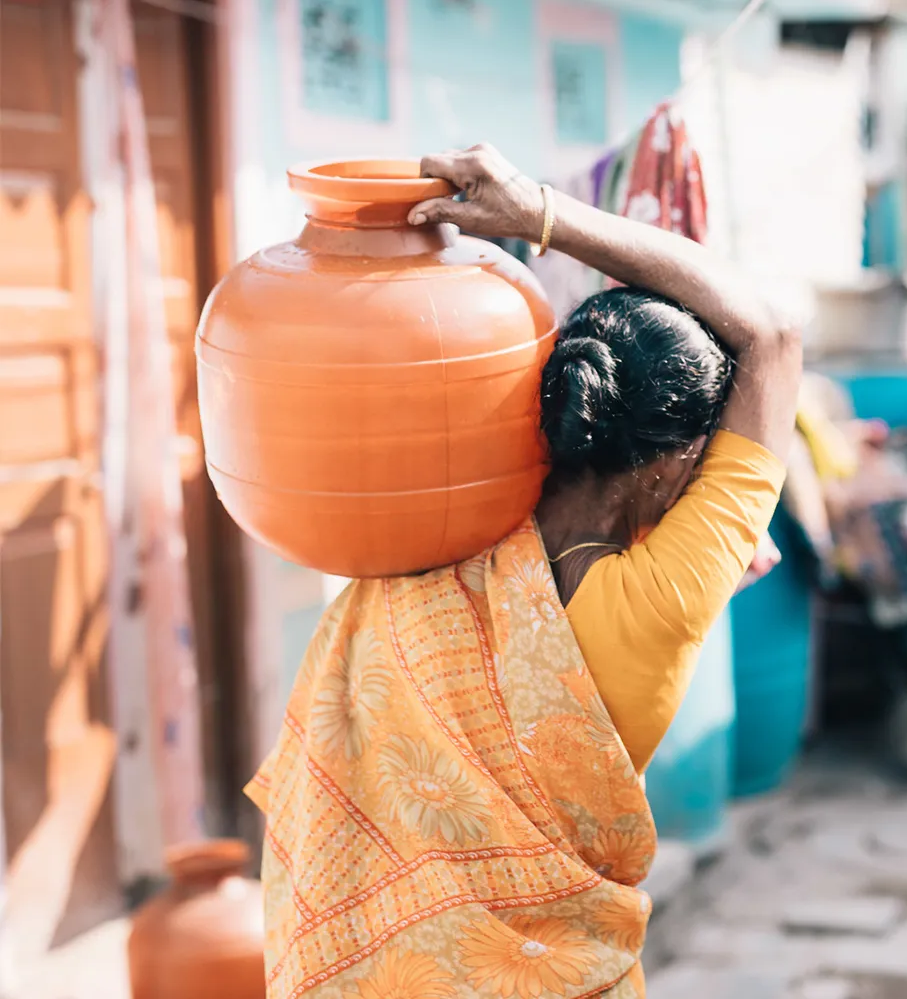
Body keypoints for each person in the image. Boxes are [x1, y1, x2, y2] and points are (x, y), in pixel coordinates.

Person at [247, 144, 805, 999]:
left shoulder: (436, 535)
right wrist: (541, 213)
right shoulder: (670, 594)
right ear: (673, 463)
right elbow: (770, 332)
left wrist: (531, 212)